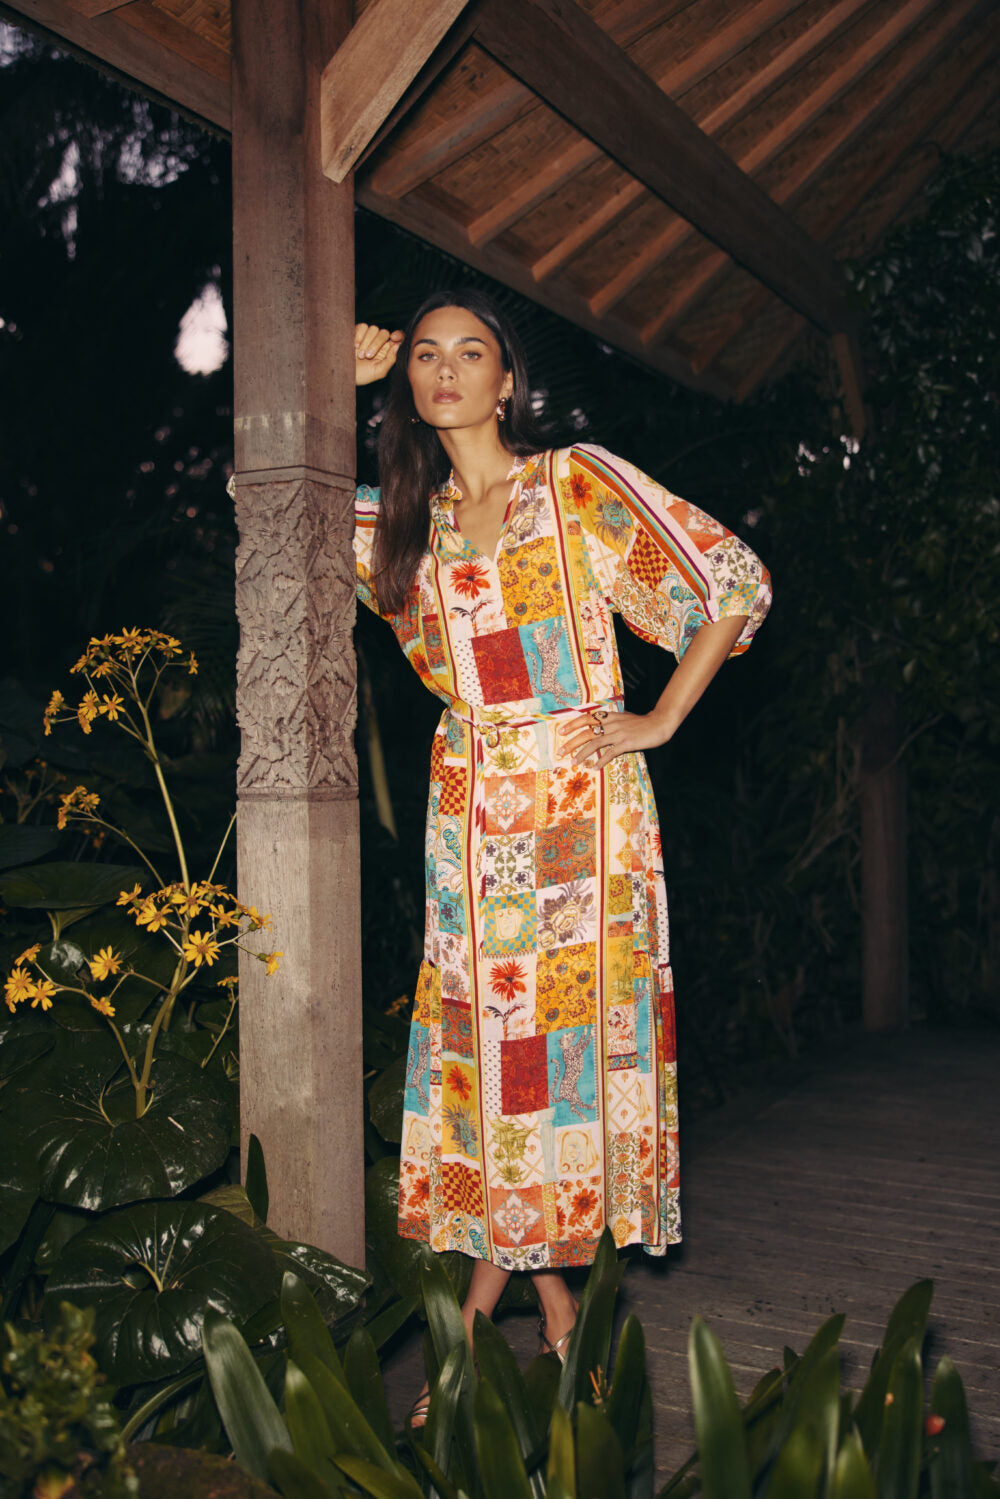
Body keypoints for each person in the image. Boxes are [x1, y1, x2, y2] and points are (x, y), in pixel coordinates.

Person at [353, 290, 771, 1421]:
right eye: (425, 355)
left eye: (470, 352)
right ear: (409, 384)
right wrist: (338, 387)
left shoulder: (573, 482)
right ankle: (556, 1312)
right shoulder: (401, 524)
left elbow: (731, 582)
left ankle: (473, 1331)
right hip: (471, 817)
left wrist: (663, 716)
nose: (445, 369)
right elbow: (268, 500)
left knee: (561, 1059)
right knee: (496, 1063)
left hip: (584, 813)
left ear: (507, 384)